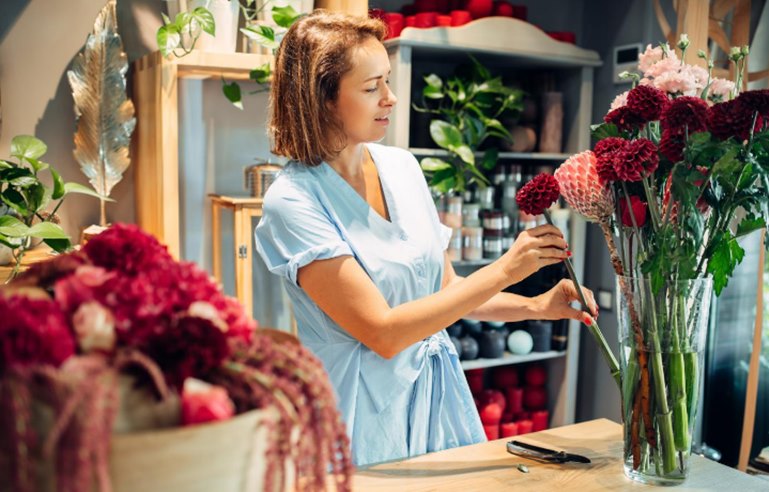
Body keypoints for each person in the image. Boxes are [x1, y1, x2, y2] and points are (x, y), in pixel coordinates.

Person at [255, 10, 598, 467]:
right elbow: (383, 332)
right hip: (355, 414)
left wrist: (536, 306)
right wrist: (504, 269)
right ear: (322, 99)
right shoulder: (292, 202)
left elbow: (444, 291)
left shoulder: (403, 168)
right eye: (371, 86)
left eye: (388, 81)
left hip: (434, 396)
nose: (391, 98)